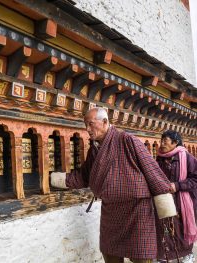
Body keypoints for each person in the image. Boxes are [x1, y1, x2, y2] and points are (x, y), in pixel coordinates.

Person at [51, 107, 173, 263]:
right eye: (85, 125)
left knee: (141, 256)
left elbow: (152, 170)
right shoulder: (94, 150)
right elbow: (83, 176)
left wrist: (166, 210)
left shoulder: (127, 140)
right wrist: (55, 179)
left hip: (137, 210)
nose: (87, 129)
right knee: (110, 253)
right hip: (111, 211)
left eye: (90, 124)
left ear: (104, 122)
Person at [156, 130, 197, 263]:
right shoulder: (160, 158)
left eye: (165, 141)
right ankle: (165, 257)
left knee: (181, 229)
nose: (161, 144)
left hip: (183, 202)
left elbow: (195, 179)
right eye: (161, 141)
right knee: (165, 228)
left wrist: (178, 186)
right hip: (164, 201)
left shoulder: (186, 157)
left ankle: (186, 255)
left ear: (175, 142)